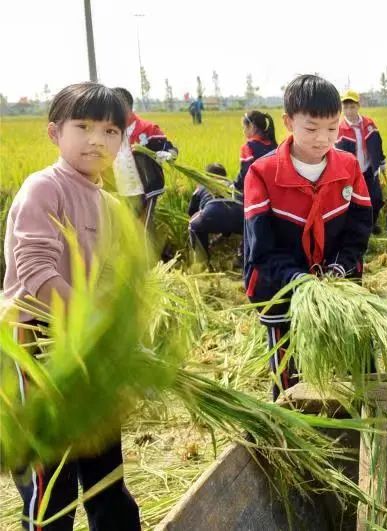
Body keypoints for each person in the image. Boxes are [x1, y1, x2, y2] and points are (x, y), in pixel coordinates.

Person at [3, 82, 140, 530]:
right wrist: (90, 322)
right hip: (38, 349)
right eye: (82, 127)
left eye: (110, 131)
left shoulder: (110, 206)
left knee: (106, 473)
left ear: (123, 140)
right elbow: (36, 272)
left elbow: (113, 281)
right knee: (53, 483)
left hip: (90, 350)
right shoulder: (44, 189)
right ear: (54, 133)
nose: (97, 139)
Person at [242, 75, 372, 399]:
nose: (322, 139)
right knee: (290, 373)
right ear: (288, 122)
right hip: (281, 288)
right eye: (311, 129)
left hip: (336, 283)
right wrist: (301, 281)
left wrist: (340, 268)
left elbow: (359, 227)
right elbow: (262, 249)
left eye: (332, 128)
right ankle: (294, 433)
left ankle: (352, 423)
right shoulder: (262, 173)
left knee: (353, 359)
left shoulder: (349, 166)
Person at [111, 87, 179, 233]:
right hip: (122, 190)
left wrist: (168, 155)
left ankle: (151, 256)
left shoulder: (148, 129)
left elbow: (171, 149)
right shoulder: (108, 131)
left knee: (144, 230)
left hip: (147, 190)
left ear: (125, 105)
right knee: (128, 233)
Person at [335, 89, 387, 234]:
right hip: (352, 173)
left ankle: (371, 224)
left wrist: (382, 163)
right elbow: (337, 155)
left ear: (358, 106)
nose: (349, 111)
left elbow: (378, 143)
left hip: (370, 169)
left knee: (376, 199)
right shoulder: (340, 129)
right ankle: (358, 229)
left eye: (352, 107)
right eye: (345, 107)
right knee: (354, 202)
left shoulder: (369, 124)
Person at [188, 163, 244, 260]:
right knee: (248, 226)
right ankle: (242, 256)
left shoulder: (203, 184)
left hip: (212, 212)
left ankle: (202, 261)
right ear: (225, 176)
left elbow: (191, 211)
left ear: (207, 176)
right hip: (239, 215)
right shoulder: (234, 184)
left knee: (193, 225)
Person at [235, 110, 278, 196]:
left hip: (256, 194)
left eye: (244, 127)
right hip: (274, 192)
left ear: (251, 126)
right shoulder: (274, 145)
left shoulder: (248, 147)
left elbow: (245, 174)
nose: (243, 131)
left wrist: (234, 185)